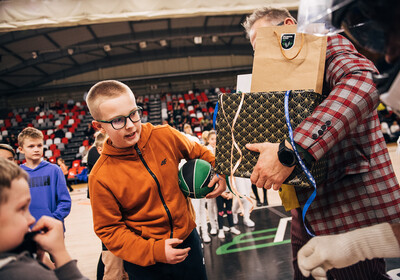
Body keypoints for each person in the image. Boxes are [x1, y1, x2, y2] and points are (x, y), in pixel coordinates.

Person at [243, 6, 400, 279]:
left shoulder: (322, 44)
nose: (263, 57)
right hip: (302, 207)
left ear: (289, 26)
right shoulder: (281, 78)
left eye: (265, 43)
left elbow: (362, 80)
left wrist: (292, 150)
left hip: (346, 204)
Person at [292, 0, 400, 278]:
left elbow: (362, 79)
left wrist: (293, 149)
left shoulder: (324, 50)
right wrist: (360, 245)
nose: (388, 55)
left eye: (392, 34)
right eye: (378, 38)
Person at [86, 80, 226, 280]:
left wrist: (219, 172)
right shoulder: (100, 176)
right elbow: (109, 230)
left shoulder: (164, 135)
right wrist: (153, 251)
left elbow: (201, 152)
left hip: (188, 243)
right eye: (118, 120)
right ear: (99, 126)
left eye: (133, 113)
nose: (130, 125)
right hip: (144, 261)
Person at [0, 157, 88, 280]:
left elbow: (64, 201)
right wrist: (60, 253)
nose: (31, 219)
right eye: (21, 209)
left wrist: (38, 259)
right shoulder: (20, 272)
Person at [17, 127, 71, 227]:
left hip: (52, 228)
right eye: (31, 146)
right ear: (21, 149)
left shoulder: (54, 170)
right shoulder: (16, 173)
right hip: (25, 230)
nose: (36, 149)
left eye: (39, 145)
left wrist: (54, 219)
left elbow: (65, 201)